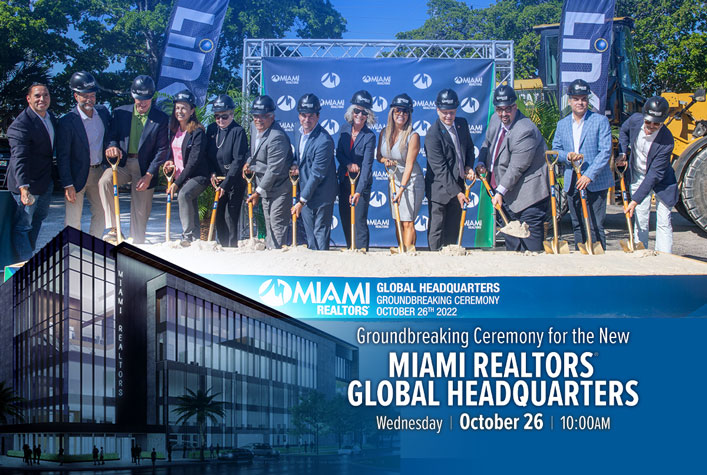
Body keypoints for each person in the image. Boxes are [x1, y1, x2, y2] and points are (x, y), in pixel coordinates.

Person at [475, 85, 549, 251]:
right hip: (507, 195)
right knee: (512, 248)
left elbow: (517, 167)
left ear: (515, 106)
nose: (503, 114)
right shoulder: (495, 120)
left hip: (528, 197)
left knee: (530, 251)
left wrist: (500, 192)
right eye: (499, 109)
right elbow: (487, 144)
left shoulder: (525, 130)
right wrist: (481, 162)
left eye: (507, 109)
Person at [99, 75, 169, 243]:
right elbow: (111, 137)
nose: (142, 103)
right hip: (122, 164)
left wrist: (149, 175)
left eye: (146, 98)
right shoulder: (120, 113)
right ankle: (114, 229)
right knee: (105, 181)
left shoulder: (161, 118)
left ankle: (137, 243)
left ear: (152, 96)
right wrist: (112, 146)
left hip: (145, 168)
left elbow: (162, 150)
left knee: (140, 211)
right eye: (139, 98)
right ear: (132, 95)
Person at [552, 79, 612, 250]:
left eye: (584, 99)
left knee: (595, 225)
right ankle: (581, 257)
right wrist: (567, 156)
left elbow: (605, 151)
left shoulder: (600, 121)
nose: (580, 103)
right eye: (576, 99)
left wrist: (589, 175)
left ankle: (598, 260)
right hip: (573, 181)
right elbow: (555, 150)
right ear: (569, 101)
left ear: (588, 100)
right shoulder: (562, 124)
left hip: (595, 183)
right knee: (577, 224)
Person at [617, 96, 678, 253]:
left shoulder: (667, 140)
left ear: (663, 122)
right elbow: (623, 131)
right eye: (648, 122)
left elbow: (654, 175)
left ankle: (664, 257)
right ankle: (641, 252)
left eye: (656, 124)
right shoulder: (635, 120)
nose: (651, 126)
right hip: (638, 174)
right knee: (641, 218)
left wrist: (634, 200)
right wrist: (623, 152)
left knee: (663, 220)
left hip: (662, 181)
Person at [56, 71, 112, 238]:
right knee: (73, 218)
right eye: (85, 96)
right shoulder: (67, 121)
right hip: (75, 175)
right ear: (76, 96)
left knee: (102, 212)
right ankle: (73, 250)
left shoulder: (103, 113)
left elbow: (110, 138)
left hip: (98, 172)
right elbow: (63, 156)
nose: (89, 99)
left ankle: (94, 246)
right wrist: (67, 184)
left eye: (92, 95)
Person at [6, 83, 56, 262]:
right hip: (26, 183)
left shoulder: (50, 118)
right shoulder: (21, 125)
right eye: (37, 96)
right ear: (28, 99)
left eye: (45, 95)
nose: (42, 99)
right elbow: (19, 158)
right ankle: (25, 265)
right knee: (23, 226)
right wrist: (23, 188)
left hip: (45, 182)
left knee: (38, 220)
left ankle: (27, 259)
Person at [423, 88, 476, 251]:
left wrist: (468, 166)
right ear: (437, 110)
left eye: (451, 112)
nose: (448, 116)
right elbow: (440, 169)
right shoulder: (432, 135)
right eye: (445, 112)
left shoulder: (462, 124)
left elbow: (469, 149)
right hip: (439, 189)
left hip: (458, 185)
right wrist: (458, 193)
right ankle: (434, 261)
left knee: (454, 231)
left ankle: (451, 262)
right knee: (437, 229)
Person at [243, 95, 293, 249]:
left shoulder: (277, 137)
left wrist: (257, 192)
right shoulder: (254, 127)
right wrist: (248, 162)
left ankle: (276, 255)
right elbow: (255, 152)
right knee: (268, 224)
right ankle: (271, 253)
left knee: (277, 224)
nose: (258, 120)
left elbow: (273, 170)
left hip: (279, 188)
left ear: (272, 116)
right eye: (256, 116)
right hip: (264, 188)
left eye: (263, 116)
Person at [376, 93, 424, 250]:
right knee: (398, 219)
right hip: (394, 180)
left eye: (405, 111)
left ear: (409, 115)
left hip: (410, 182)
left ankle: (408, 252)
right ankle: (401, 249)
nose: (401, 114)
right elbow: (378, 156)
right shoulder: (384, 133)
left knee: (407, 221)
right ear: (392, 112)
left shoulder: (413, 136)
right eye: (398, 110)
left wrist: (402, 189)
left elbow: (409, 165)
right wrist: (385, 160)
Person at [290, 93, 337, 250]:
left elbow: (317, 174)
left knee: (320, 236)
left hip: (322, 195)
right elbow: (300, 156)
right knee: (310, 238)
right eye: (303, 115)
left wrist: (301, 201)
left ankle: (322, 265)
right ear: (299, 115)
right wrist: (295, 163)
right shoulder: (298, 131)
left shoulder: (324, 141)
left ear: (318, 116)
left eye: (311, 116)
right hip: (306, 192)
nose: (307, 119)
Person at [162, 89, 209, 244]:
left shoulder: (197, 132)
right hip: (182, 176)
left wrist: (176, 183)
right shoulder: (174, 130)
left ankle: (187, 235)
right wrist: (169, 161)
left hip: (197, 176)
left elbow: (193, 161)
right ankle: (195, 238)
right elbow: (174, 152)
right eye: (177, 108)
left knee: (184, 195)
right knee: (191, 205)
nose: (179, 111)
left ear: (192, 110)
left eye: (184, 108)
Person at [206, 94, 249, 247]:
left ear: (232, 114)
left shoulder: (238, 131)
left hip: (234, 180)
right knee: (218, 215)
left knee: (230, 216)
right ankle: (222, 245)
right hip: (217, 180)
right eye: (217, 116)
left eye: (224, 116)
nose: (220, 120)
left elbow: (238, 160)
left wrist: (226, 184)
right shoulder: (212, 129)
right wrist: (212, 172)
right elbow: (207, 155)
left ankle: (232, 246)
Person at [337, 90, 376, 250]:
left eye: (364, 112)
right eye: (357, 111)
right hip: (344, 182)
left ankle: (362, 252)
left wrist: (359, 192)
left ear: (368, 115)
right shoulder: (344, 129)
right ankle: (350, 250)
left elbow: (366, 166)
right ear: (351, 111)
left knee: (359, 220)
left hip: (360, 184)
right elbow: (339, 153)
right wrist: (348, 164)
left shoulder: (369, 136)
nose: (360, 115)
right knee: (346, 218)